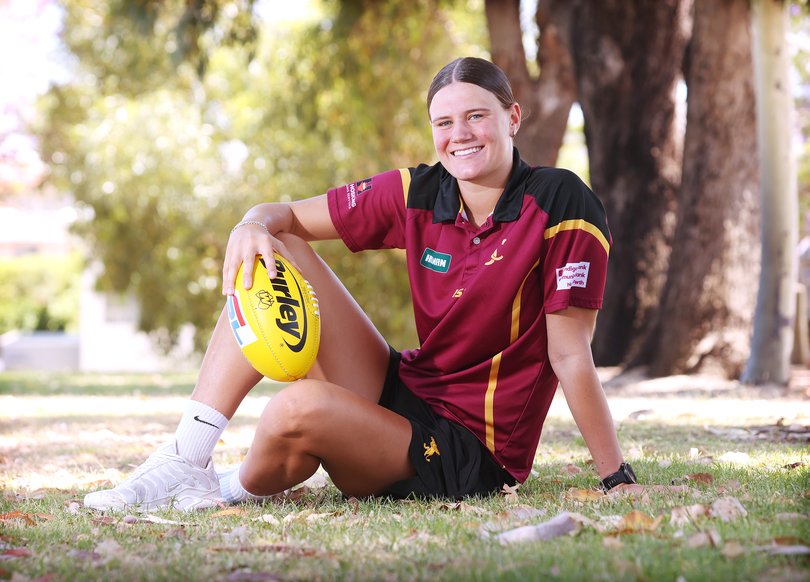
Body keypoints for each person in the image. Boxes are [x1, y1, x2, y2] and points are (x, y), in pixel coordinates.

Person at [84, 56, 636, 511]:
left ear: (512, 117)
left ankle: (222, 490)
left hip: (469, 449)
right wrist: (249, 224)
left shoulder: (561, 201)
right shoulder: (419, 190)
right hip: (407, 389)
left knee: (294, 411)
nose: (459, 135)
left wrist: (616, 478)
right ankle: (184, 458)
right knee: (274, 252)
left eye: (476, 117)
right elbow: (285, 216)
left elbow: (569, 356)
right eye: (444, 123)